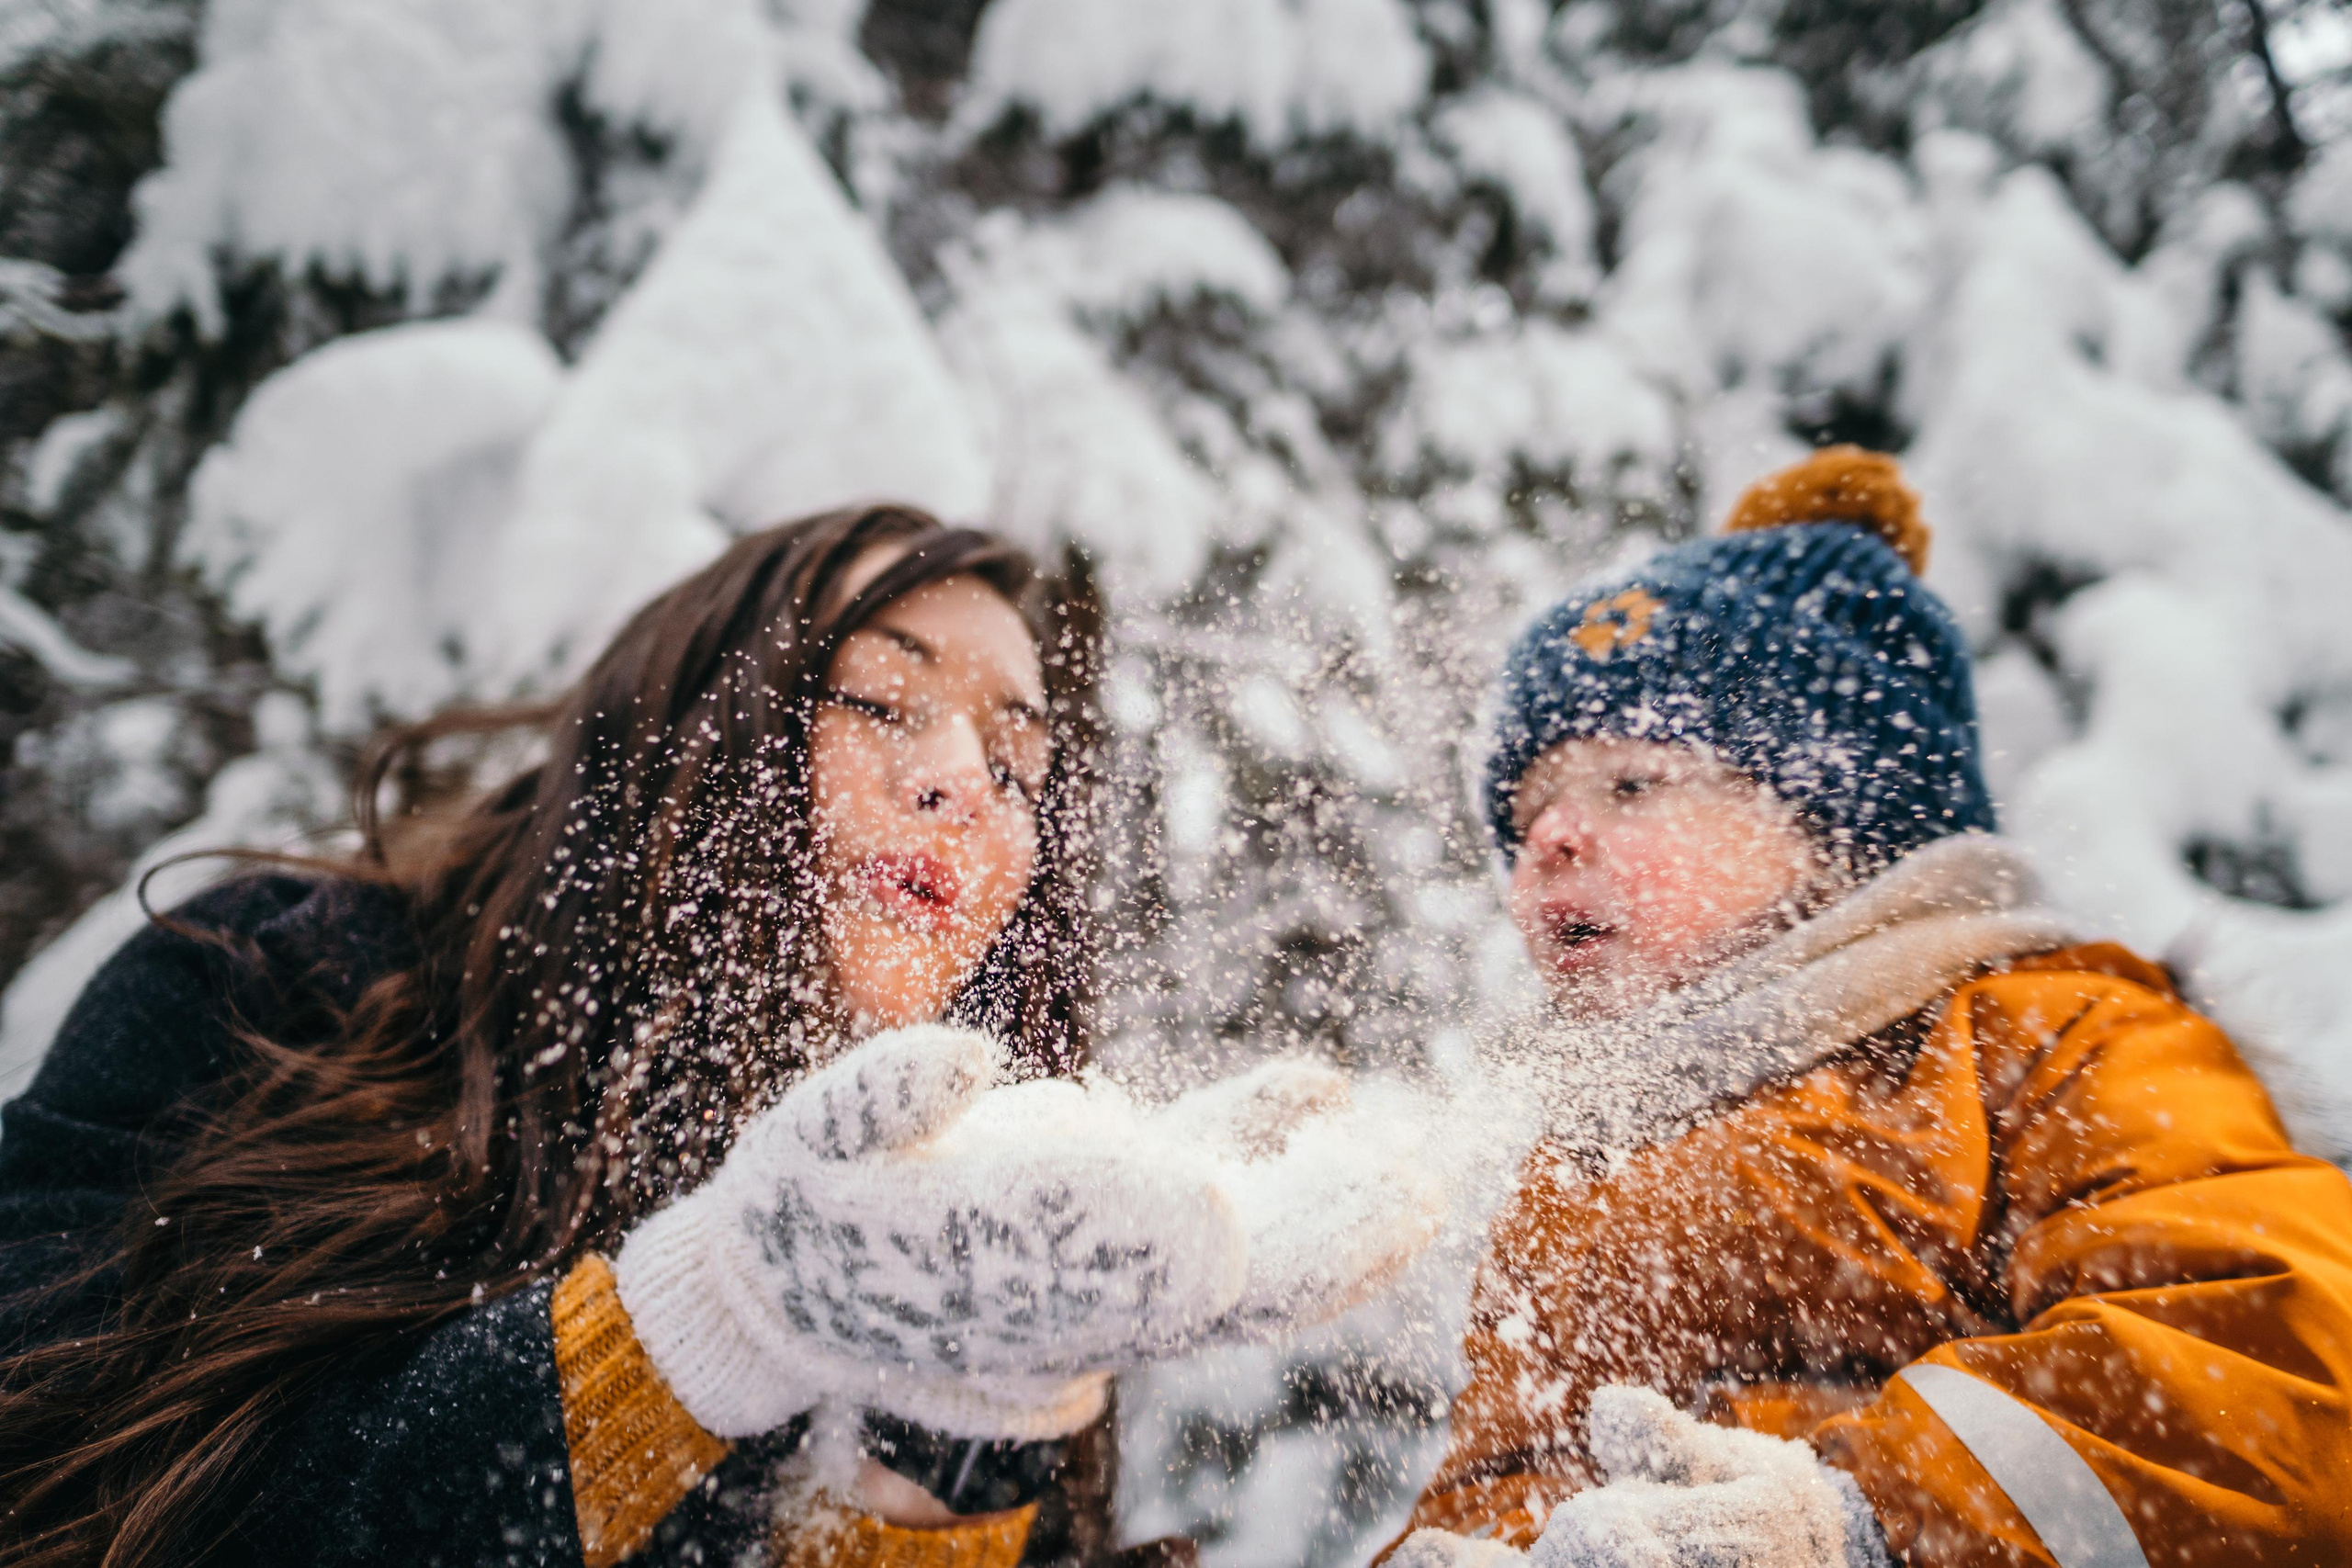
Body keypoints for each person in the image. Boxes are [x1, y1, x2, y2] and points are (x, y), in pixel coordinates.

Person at [0, 505, 1436, 1568]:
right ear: (698, 714)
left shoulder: (965, 1201)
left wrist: (949, 1452)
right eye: (884, 698)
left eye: (1019, 759)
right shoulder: (274, 977)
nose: (962, 781)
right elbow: (56, 1488)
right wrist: (718, 1310)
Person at [1387, 449, 2352, 1568]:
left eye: (1630, 785)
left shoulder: (2053, 1041)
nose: (1548, 839)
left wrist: (1856, 1518)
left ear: (1832, 823)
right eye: (1526, 810)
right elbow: (1498, 1483)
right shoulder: (1578, 1174)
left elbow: (2264, 1379)